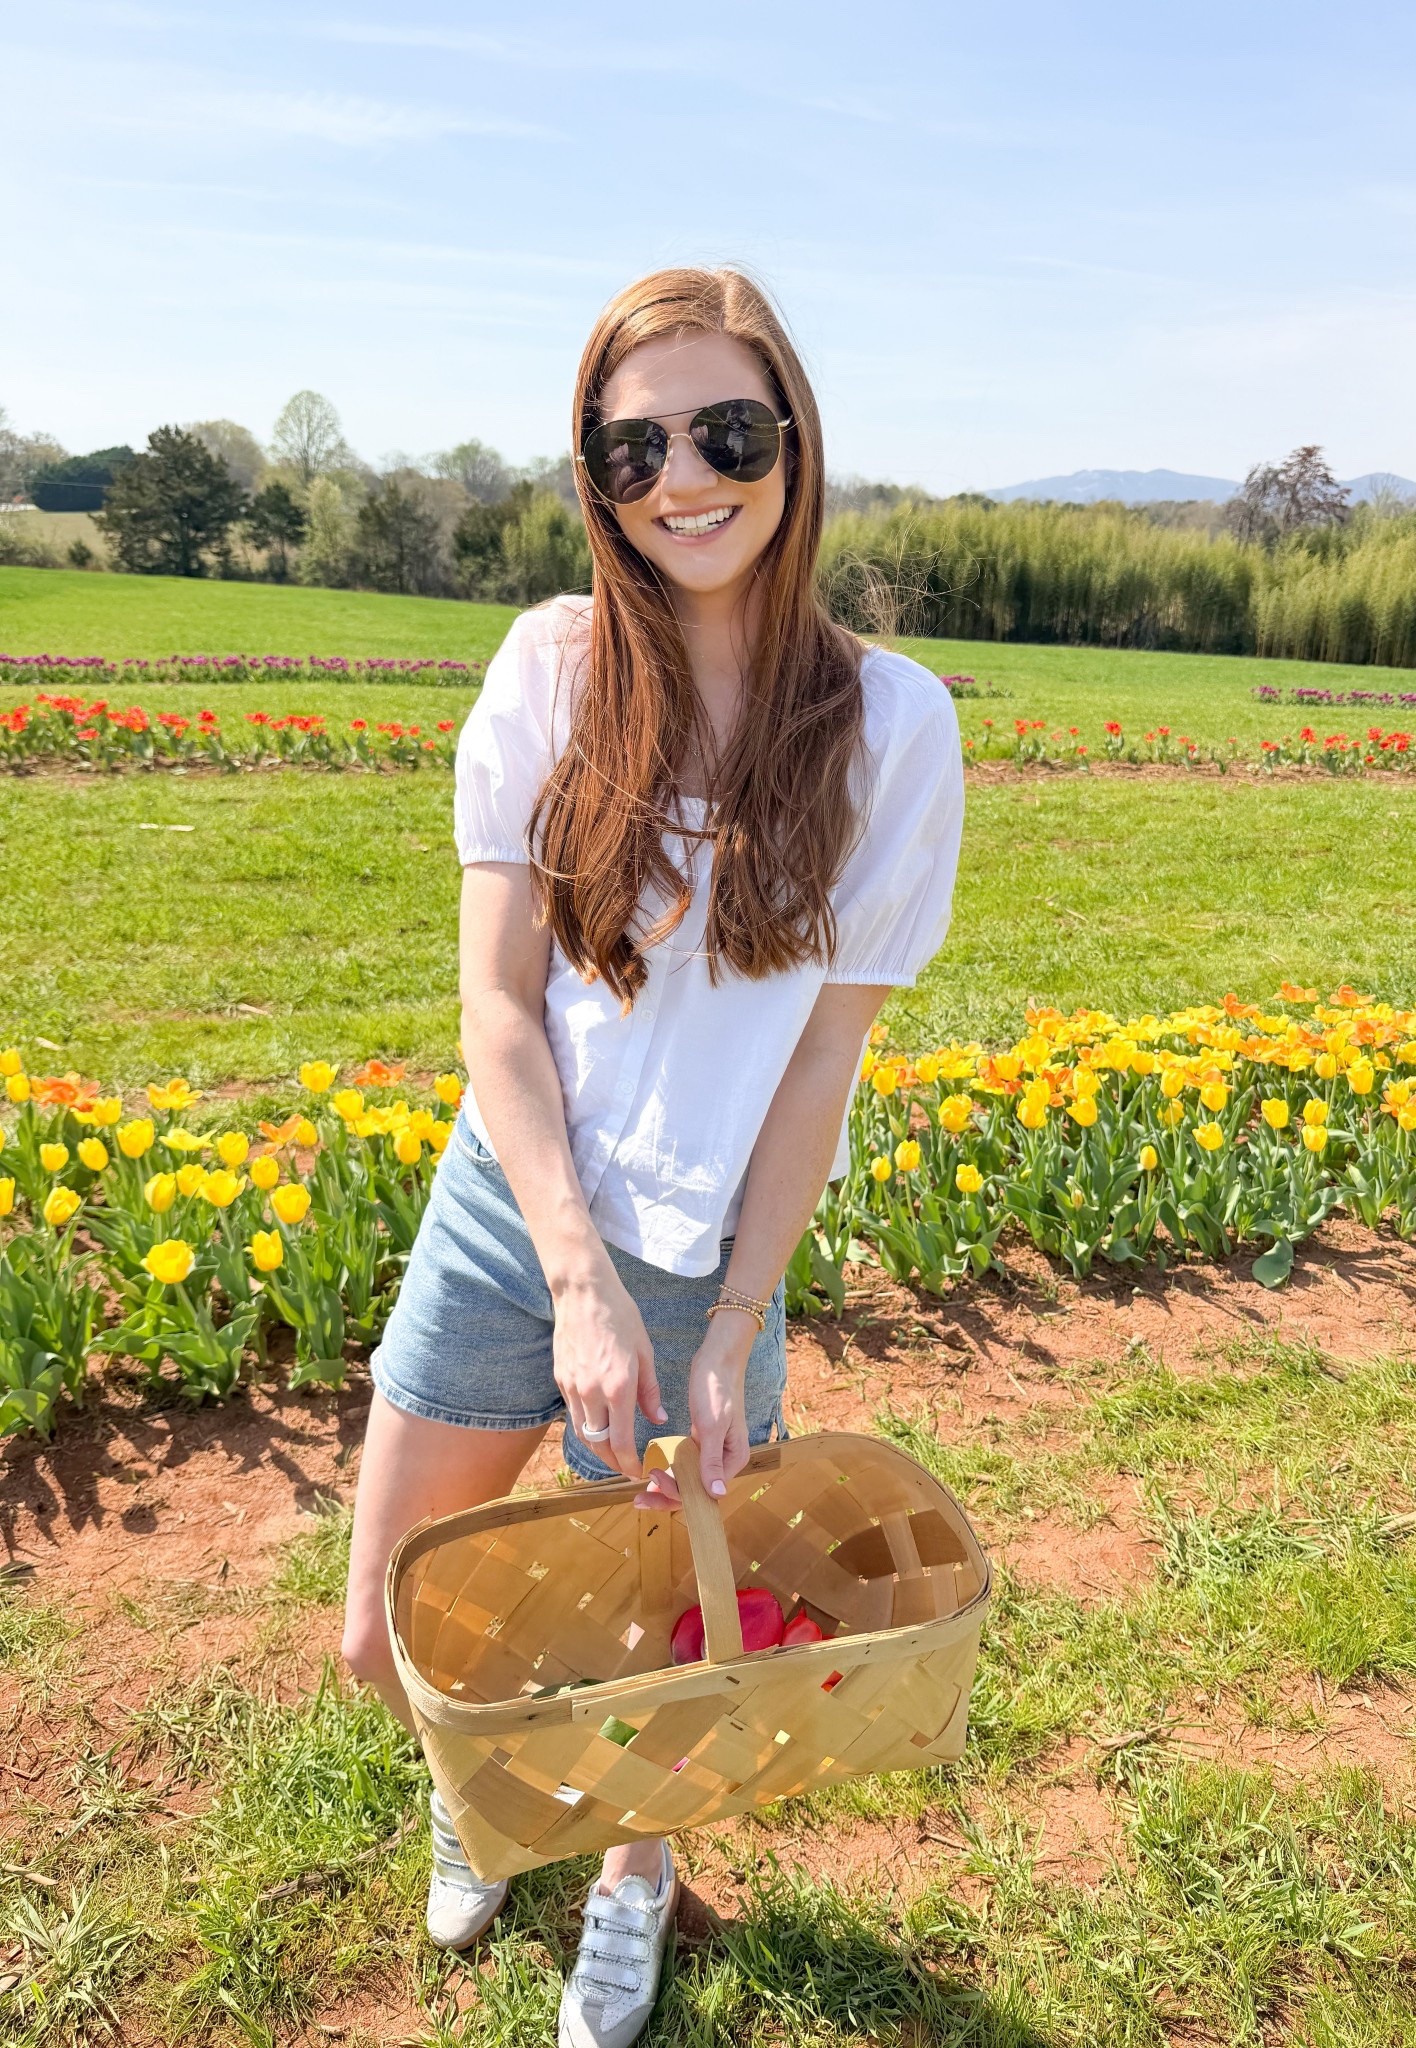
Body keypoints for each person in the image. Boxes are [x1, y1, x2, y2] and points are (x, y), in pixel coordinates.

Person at [340, 265, 963, 2048]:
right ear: (596, 476)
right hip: (515, 1207)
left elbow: (821, 1065)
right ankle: (483, 1802)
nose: (683, 477)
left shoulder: (893, 728)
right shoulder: (551, 668)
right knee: (381, 1635)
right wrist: (572, 1276)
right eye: (635, 448)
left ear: (794, 444)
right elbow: (497, 1012)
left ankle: (630, 1884)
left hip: (710, 1248)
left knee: (680, 1649)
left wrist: (730, 1315)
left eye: (726, 432)